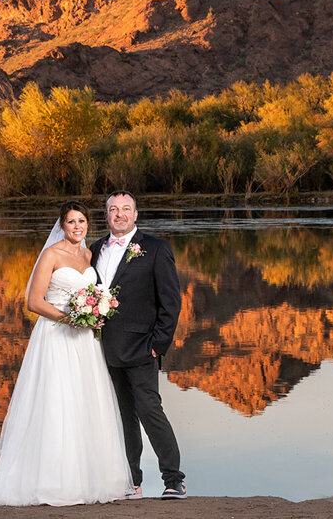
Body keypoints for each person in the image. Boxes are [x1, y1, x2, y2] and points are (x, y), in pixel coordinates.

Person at [0, 201, 132, 506]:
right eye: (71, 222)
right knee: (57, 402)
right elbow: (33, 301)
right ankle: (53, 480)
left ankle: (90, 479)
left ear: (88, 224)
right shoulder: (51, 254)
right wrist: (69, 317)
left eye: (82, 221)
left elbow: (93, 294)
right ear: (62, 225)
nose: (77, 227)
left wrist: (95, 312)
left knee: (87, 401)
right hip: (57, 337)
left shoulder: (89, 254)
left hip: (86, 341)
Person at [89, 190, 187, 499]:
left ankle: (174, 479)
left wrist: (159, 344)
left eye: (126, 209)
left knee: (150, 411)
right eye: (113, 209)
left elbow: (171, 302)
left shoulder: (156, 249)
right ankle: (132, 481)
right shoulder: (93, 250)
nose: (119, 214)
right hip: (104, 349)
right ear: (106, 215)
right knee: (123, 416)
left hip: (143, 347)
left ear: (136, 215)